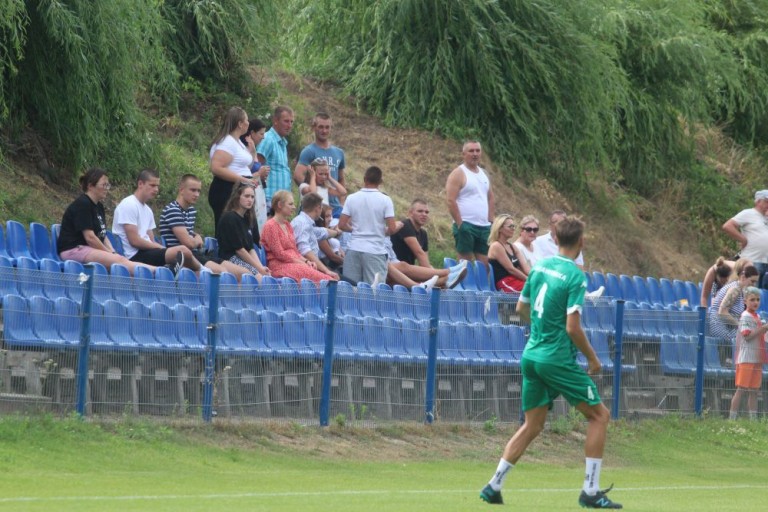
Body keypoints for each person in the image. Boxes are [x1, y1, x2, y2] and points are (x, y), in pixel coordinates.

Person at [480, 216, 622, 509]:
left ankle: (494, 485)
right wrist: (593, 359)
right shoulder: (574, 276)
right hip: (556, 358)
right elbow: (572, 327)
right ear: (581, 243)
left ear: (555, 240)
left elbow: (521, 307)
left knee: (532, 425)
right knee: (599, 416)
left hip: (531, 354)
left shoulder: (540, 267)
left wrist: (541, 329)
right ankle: (591, 490)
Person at [57, 168, 157, 275]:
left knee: (120, 261)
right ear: (90, 186)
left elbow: (102, 235)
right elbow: (90, 237)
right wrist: (108, 253)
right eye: (104, 185)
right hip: (74, 250)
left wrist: (112, 252)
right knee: (120, 262)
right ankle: (156, 272)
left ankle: (155, 274)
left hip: (88, 249)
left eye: (108, 185)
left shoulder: (99, 206)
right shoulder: (83, 204)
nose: (107, 189)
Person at [159, 174, 249, 280]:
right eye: (193, 190)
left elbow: (189, 234)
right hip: (182, 257)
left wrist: (195, 236)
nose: (196, 194)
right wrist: (196, 239)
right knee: (222, 273)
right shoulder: (173, 210)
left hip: (197, 254)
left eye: (198, 191)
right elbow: (188, 243)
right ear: (181, 190)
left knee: (244, 273)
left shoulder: (191, 211)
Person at [112, 169, 203, 274]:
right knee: (182, 251)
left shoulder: (148, 210)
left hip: (147, 252)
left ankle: (198, 271)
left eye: (157, 186)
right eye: (152, 185)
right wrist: (161, 248)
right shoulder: (129, 204)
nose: (156, 189)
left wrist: (161, 249)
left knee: (189, 269)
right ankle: (203, 269)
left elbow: (150, 240)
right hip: (133, 256)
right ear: (140, 184)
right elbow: (135, 241)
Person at [338, 166, 401, 285]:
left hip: (354, 248)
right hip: (375, 250)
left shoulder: (351, 198)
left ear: (364, 179)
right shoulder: (385, 200)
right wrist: (380, 231)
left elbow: (341, 225)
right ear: (380, 182)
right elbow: (392, 228)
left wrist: (354, 229)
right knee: (373, 292)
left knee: (350, 291)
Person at [261, 191, 336, 284]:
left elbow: (294, 250)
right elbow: (279, 253)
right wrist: (301, 262)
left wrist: (306, 261)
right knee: (324, 280)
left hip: (293, 263)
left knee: (323, 276)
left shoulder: (287, 225)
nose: (294, 207)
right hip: (279, 265)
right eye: (290, 204)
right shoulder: (270, 225)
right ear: (280, 205)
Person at [208, 107, 262, 235]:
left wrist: (252, 152)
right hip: (228, 190)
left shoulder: (238, 142)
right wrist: (243, 180)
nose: (248, 123)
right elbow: (216, 167)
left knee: (246, 231)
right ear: (240, 123)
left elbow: (242, 167)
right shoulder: (227, 142)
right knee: (230, 232)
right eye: (247, 120)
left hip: (241, 190)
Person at [445, 140, 495, 265]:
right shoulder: (458, 173)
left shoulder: (484, 174)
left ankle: (483, 285)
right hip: (466, 223)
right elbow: (450, 200)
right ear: (463, 154)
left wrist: (491, 221)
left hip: (484, 226)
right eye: (471, 151)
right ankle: (462, 284)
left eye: (477, 150)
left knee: (485, 264)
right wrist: (460, 224)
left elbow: (490, 197)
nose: (475, 154)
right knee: (464, 263)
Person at [294, 112, 347, 217]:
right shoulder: (309, 151)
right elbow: (298, 175)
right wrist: (311, 192)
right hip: (315, 208)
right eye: (321, 127)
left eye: (327, 127)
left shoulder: (339, 152)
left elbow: (341, 178)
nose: (324, 131)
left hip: (334, 207)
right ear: (314, 128)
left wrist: (342, 203)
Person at [216, 183, 271, 280]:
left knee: (266, 277)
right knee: (257, 278)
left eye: (252, 197)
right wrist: (258, 269)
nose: (250, 199)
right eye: (246, 196)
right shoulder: (230, 217)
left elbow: (250, 249)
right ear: (238, 197)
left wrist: (261, 267)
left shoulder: (247, 219)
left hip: (242, 258)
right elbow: (240, 250)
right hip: (229, 258)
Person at [728, 286, 768, 420]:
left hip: (756, 357)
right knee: (741, 389)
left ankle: (753, 420)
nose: (755, 302)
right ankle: (732, 419)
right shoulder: (745, 316)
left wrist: (763, 329)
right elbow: (748, 336)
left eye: (757, 299)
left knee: (754, 391)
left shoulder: (757, 316)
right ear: (745, 301)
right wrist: (763, 328)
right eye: (752, 300)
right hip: (746, 358)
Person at [722, 190, 768, 288]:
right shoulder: (748, 213)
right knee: (750, 292)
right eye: (766, 201)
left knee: (761, 296)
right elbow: (728, 226)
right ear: (758, 201)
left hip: (765, 261)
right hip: (752, 259)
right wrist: (743, 239)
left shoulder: (766, 217)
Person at [290, 192, 341, 281]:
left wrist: (336, 232)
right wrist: (326, 271)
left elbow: (321, 232)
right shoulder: (302, 223)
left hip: (310, 268)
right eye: (321, 208)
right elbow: (305, 250)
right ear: (318, 208)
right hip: (306, 270)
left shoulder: (306, 222)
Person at [708, 265, 760, 344]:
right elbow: (722, 312)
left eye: (755, 282)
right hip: (720, 328)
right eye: (752, 281)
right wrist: (741, 326)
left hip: (727, 328)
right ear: (743, 277)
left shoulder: (739, 290)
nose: (754, 285)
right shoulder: (735, 289)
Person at [257, 105, 294, 204]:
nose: (289, 125)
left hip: (280, 201)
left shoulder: (282, 142)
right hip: (269, 198)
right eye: (286, 121)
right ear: (275, 121)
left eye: (291, 122)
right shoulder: (268, 139)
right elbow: (257, 165)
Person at [240, 119, 270, 235]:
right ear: (252, 133)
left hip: (257, 192)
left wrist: (262, 177)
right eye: (261, 134)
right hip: (248, 193)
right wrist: (259, 174)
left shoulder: (253, 148)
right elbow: (242, 177)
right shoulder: (243, 149)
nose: (263, 137)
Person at [487, 215, 530, 293]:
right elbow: (511, 269)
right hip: (504, 283)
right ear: (500, 228)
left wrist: (536, 277)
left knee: (538, 288)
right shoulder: (496, 246)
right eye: (510, 226)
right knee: (531, 291)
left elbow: (526, 268)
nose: (513, 229)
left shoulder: (513, 247)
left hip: (515, 280)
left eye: (514, 226)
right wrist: (529, 280)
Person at [316, 204, 345, 271]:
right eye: (327, 216)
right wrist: (347, 263)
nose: (330, 219)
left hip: (337, 264)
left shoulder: (328, 230)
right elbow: (332, 256)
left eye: (331, 215)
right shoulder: (320, 234)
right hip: (329, 266)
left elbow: (338, 249)